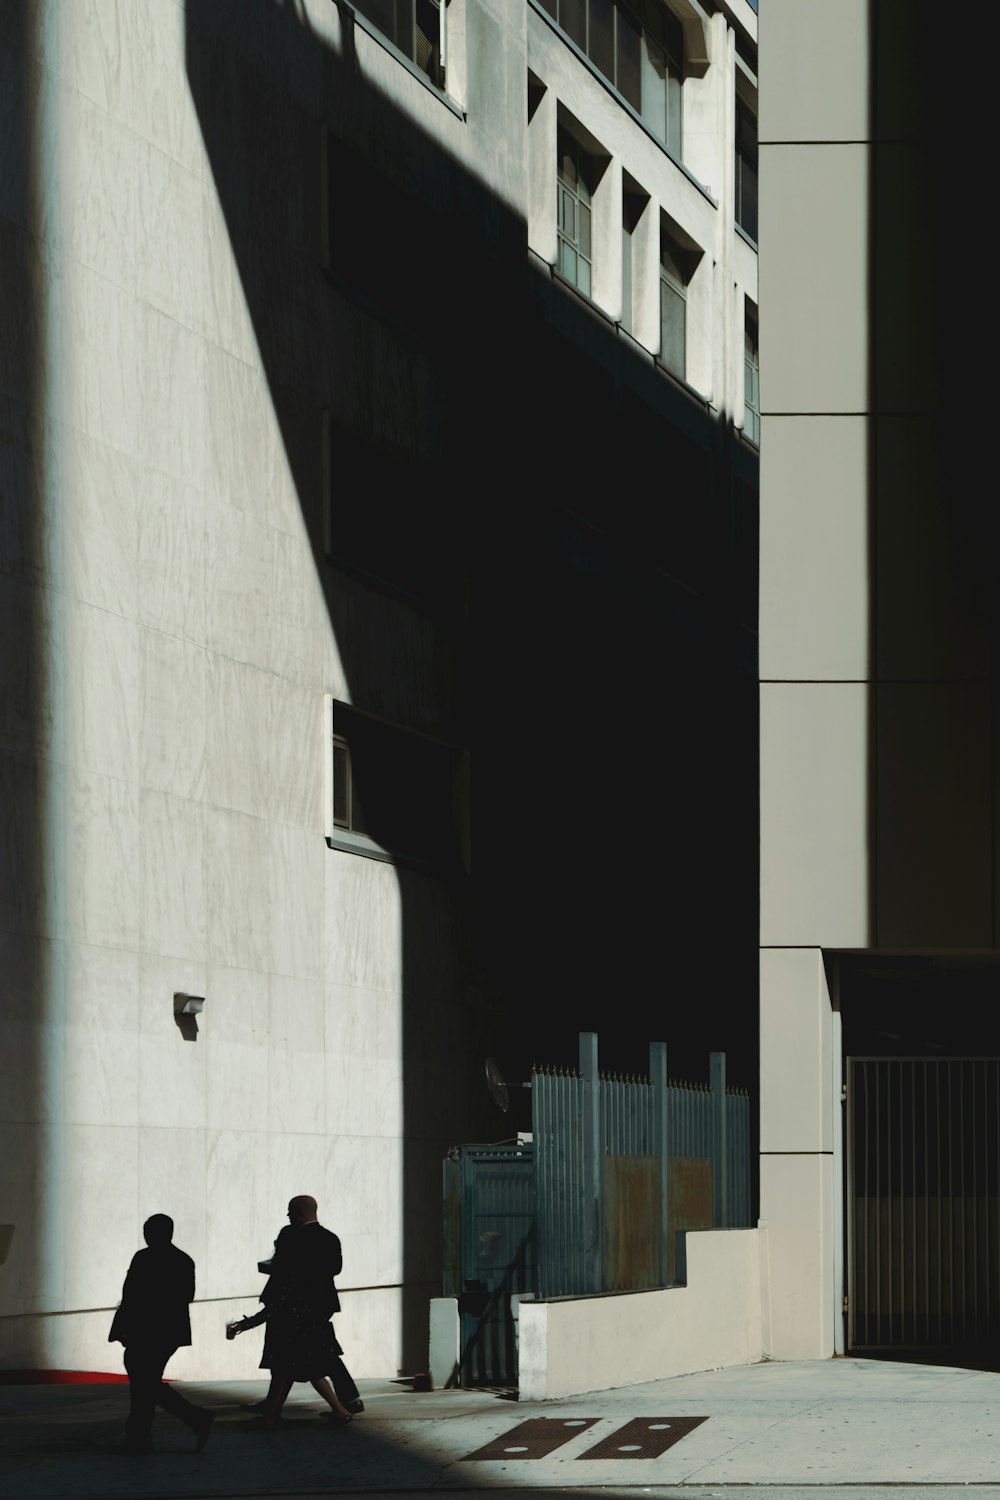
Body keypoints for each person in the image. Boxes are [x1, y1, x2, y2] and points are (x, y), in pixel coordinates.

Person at [228, 1195, 358, 1427]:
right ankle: (277, 1410)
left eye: (289, 1211)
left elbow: (283, 1272)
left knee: (293, 1363)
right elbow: (335, 1269)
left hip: (291, 1311)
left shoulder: (291, 1237)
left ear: (298, 1212)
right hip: (319, 1308)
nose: (287, 1215)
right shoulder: (330, 1238)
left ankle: (275, 1413)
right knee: (308, 1362)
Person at [108, 1214, 214, 1455]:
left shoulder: (143, 1258)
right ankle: (144, 1436)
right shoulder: (184, 1260)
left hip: (143, 1332)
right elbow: (186, 1296)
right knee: (146, 1383)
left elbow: (130, 1296)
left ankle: (148, 1436)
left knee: (143, 1384)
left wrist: (122, 1329)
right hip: (168, 1333)